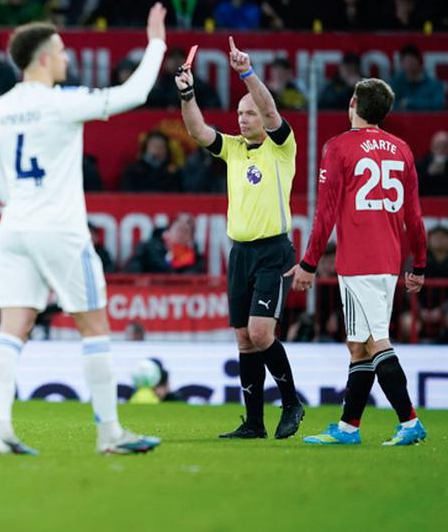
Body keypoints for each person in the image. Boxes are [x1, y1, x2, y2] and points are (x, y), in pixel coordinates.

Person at [0, 4, 169, 457]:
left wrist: (23, 204)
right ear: (43, 58)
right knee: (94, 325)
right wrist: (157, 42)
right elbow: (135, 93)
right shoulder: (63, 102)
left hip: (16, 227)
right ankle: (109, 434)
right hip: (61, 229)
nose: (67, 60)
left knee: (12, 328)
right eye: (61, 52)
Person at [175, 36, 304, 440]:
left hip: (273, 252)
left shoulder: (282, 147)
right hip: (241, 253)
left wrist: (246, 73)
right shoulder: (233, 148)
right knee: (246, 340)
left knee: (262, 332)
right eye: (240, 114)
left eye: (249, 114)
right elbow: (197, 130)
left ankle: (292, 402)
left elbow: (268, 106)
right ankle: (253, 423)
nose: (244, 118)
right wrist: (188, 94)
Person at [290, 78, 428, 446]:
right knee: (360, 345)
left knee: (377, 342)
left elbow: (326, 213)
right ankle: (349, 427)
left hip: (359, 262)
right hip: (388, 258)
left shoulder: (339, 147)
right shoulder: (402, 148)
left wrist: (308, 262)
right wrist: (420, 263)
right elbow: (414, 215)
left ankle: (410, 421)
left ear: (352, 102)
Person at [125, 214, 205, 273]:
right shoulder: (149, 247)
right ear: (170, 229)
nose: (181, 235)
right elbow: (132, 269)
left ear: (190, 238)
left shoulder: (194, 258)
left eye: (186, 232)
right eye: (179, 229)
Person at [391, 45, 446, 111]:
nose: (409, 65)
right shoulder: (395, 84)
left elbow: (438, 106)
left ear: (419, 62)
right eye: (406, 61)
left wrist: (409, 103)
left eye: (412, 61)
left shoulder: (434, 86)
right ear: (401, 64)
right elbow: (389, 106)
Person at [417, 130, 448, 196]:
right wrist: (429, 173)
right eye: (438, 145)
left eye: (444, 146)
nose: (441, 149)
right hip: (427, 200)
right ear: (432, 146)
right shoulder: (422, 163)